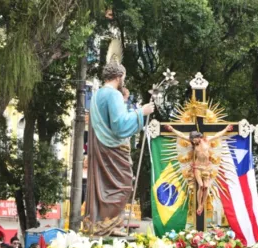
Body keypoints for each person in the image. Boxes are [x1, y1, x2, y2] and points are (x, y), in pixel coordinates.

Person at [83, 62, 154, 236]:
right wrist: (141, 112)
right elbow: (120, 126)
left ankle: (105, 224)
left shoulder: (98, 94)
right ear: (118, 76)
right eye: (124, 77)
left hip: (101, 149)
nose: (124, 80)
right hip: (112, 150)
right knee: (122, 185)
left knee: (105, 185)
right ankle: (110, 224)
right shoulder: (113, 94)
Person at [164, 124, 233, 215]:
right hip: (197, 167)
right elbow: (181, 135)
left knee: (206, 186)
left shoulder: (207, 140)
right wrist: (172, 129)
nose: (193, 141)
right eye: (192, 140)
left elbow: (217, 135)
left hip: (207, 167)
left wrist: (226, 129)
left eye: (194, 139)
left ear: (198, 137)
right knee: (201, 186)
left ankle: (202, 205)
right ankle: (199, 205)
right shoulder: (193, 143)